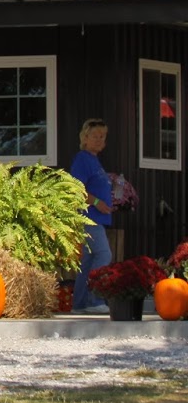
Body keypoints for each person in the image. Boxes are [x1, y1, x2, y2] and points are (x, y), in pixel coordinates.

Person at [69, 118, 113, 314]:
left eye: (102, 136)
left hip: (97, 217)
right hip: (88, 217)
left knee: (87, 260)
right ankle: (95, 301)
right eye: (95, 136)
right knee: (103, 254)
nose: (99, 140)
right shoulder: (83, 159)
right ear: (85, 138)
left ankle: (79, 304)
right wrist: (97, 202)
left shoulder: (94, 160)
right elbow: (77, 189)